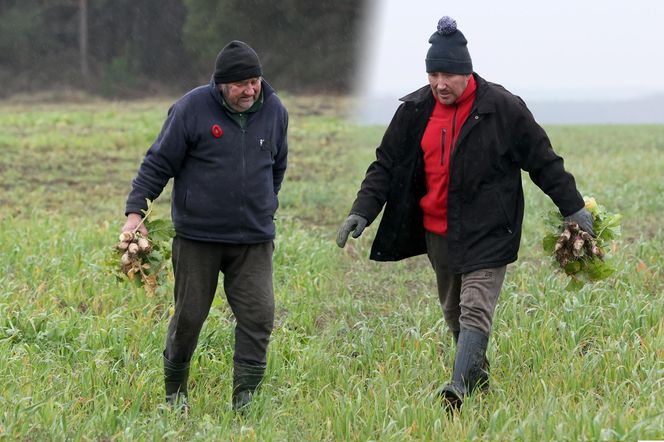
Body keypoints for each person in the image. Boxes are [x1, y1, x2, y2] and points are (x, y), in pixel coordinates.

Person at [336, 16, 593, 410]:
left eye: (449, 75)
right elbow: (385, 165)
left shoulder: (503, 108)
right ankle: (478, 376)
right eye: (433, 73)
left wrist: (573, 207)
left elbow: (543, 161)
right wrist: (362, 211)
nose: (440, 83)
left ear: (467, 72)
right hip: (437, 231)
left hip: (490, 228)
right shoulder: (415, 109)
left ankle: (457, 389)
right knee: (454, 312)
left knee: (475, 306)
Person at [122, 40, 288, 412]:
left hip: (253, 240)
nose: (249, 90)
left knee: (259, 316)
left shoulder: (275, 111)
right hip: (199, 238)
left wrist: (265, 204)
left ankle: (244, 400)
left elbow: (277, 166)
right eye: (240, 84)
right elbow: (157, 163)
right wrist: (136, 214)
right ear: (220, 84)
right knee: (189, 317)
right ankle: (175, 394)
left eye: (255, 81)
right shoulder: (191, 109)